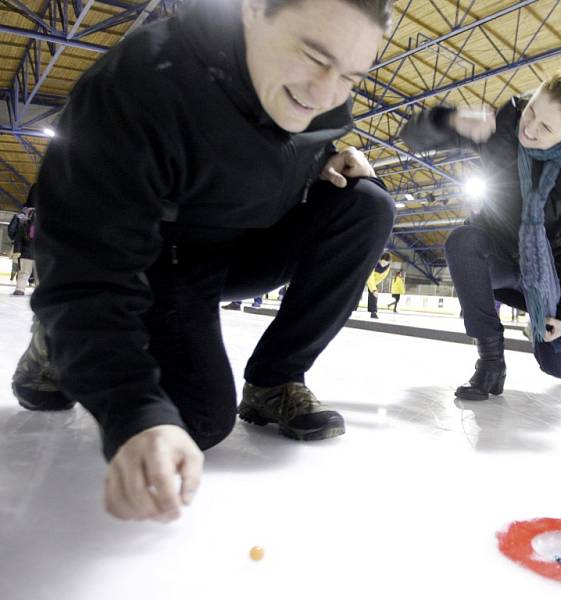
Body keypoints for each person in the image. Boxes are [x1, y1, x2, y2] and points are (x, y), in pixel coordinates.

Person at [11, 0, 395, 523]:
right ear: (254, 12)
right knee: (194, 420)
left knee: (366, 202)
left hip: (237, 246)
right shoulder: (141, 84)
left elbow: (281, 144)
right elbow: (86, 267)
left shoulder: (325, 103)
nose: (326, 93)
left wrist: (325, 161)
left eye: (350, 75)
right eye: (312, 56)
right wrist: (134, 410)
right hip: (157, 261)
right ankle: (53, 341)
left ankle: (275, 381)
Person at [402, 65, 561, 395]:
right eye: (532, 109)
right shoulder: (508, 122)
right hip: (501, 255)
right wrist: (449, 122)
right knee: (463, 242)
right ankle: (491, 363)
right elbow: (411, 136)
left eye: (546, 127)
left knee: (557, 363)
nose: (529, 128)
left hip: (547, 275)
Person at [8, 204, 37, 296]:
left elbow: (18, 239)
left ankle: (20, 289)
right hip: (40, 254)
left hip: (26, 253)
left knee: (24, 272)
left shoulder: (24, 224)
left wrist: (17, 251)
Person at [365, 252, 392, 318]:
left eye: (385, 263)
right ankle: (352, 308)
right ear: (379, 260)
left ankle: (373, 312)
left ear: (388, 263)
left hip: (374, 281)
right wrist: (373, 289)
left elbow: (382, 277)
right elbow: (369, 276)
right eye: (382, 262)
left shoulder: (387, 267)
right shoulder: (373, 263)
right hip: (364, 276)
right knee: (356, 292)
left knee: (374, 295)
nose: (383, 265)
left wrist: (374, 289)